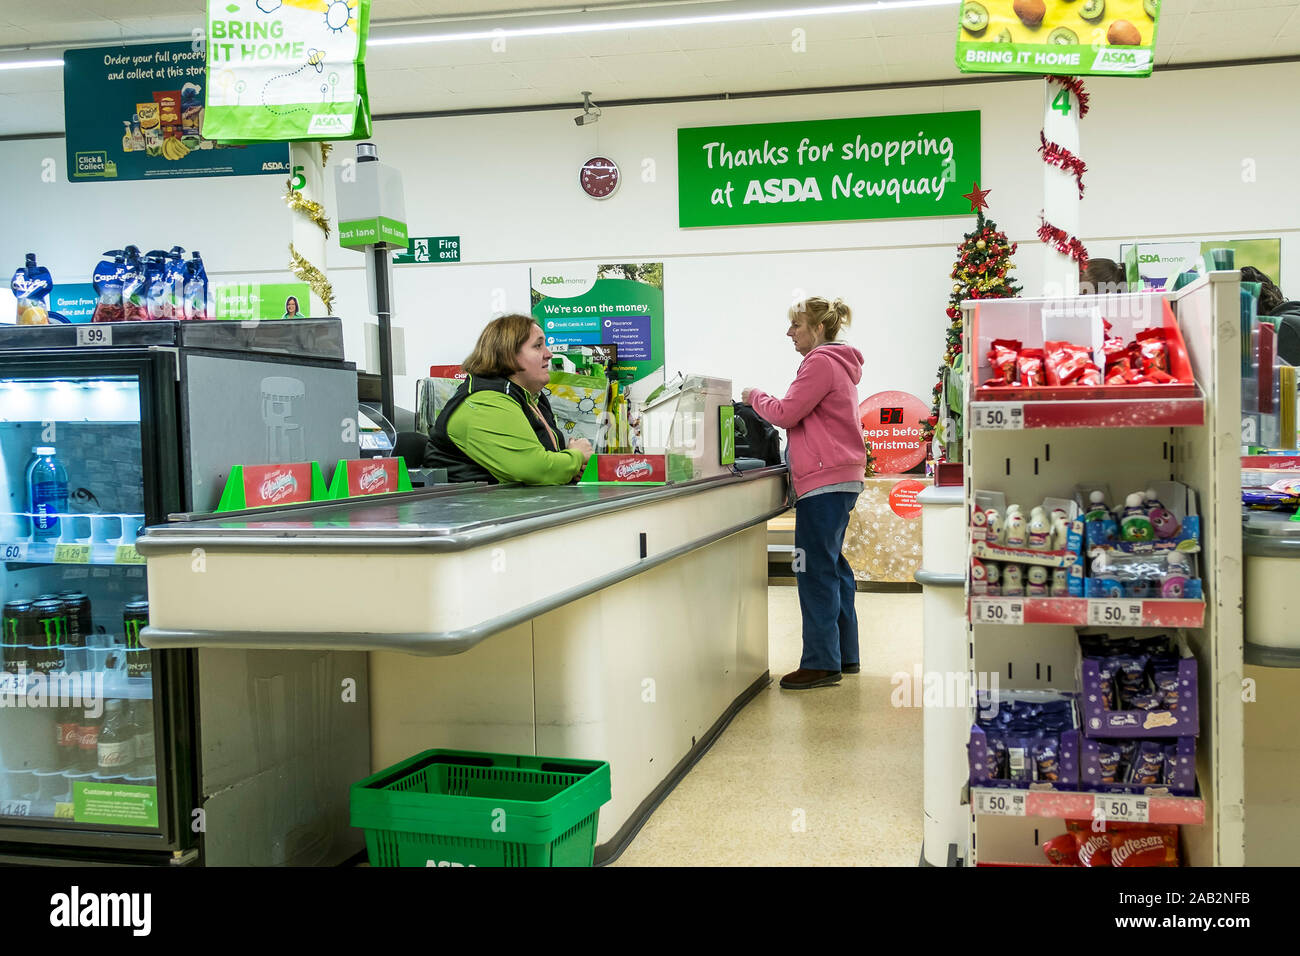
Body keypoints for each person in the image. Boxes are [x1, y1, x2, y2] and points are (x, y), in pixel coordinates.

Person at [742, 297, 865, 690]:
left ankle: (820, 662)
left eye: (796, 325)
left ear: (818, 328)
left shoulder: (820, 362)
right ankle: (845, 654)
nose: (789, 332)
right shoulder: (840, 364)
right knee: (832, 567)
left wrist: (753, 396)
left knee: (811, 569)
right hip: (841, 478)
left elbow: (785, 413)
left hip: (824, 481)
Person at [424, 313, 593, 484]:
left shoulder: (530, 398)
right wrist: (576, 456)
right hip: (476, 508)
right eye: (538, 346)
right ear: (507, 354)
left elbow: (548, 462)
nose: (548, 354)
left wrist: (569, 469)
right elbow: (535, 469)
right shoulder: (486, 402)